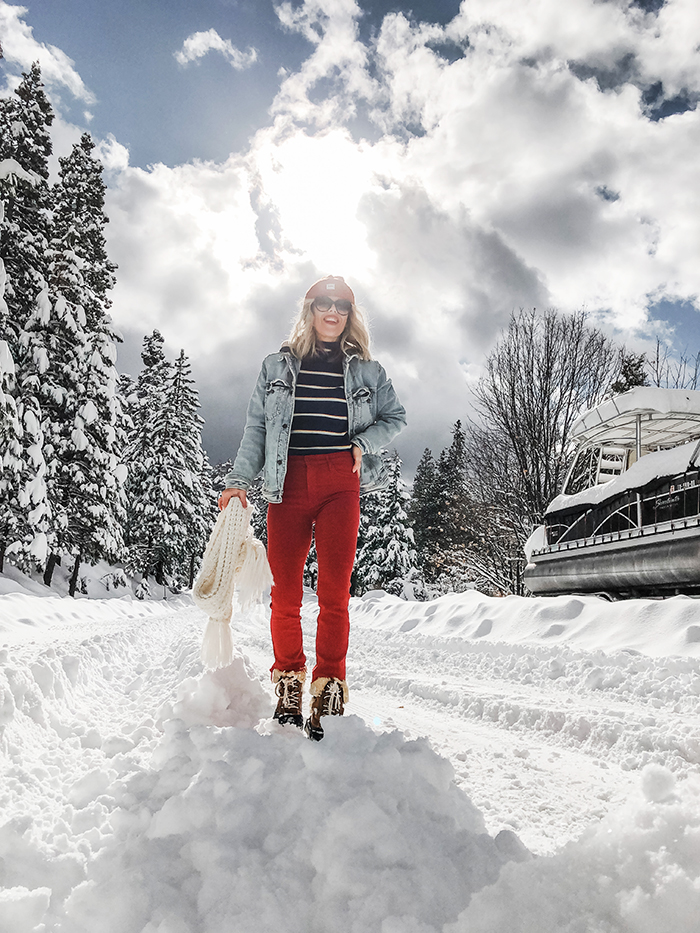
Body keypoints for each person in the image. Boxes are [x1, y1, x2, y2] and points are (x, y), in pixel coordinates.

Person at [218, 275, 406, 740]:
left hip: (342, 482)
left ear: (349, 315)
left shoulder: (369, 372)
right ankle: (288, 685)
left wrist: (364, 442)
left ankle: (329, 689)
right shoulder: (276, 367)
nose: (333, 312)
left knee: (333, 592)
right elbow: (258, 429)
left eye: (342, 306)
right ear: (309, 310)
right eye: (324, 303)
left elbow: (396, 418)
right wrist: (239, 481)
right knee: (284, 592)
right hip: (288, 482)